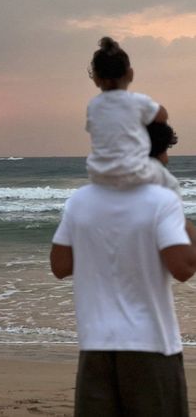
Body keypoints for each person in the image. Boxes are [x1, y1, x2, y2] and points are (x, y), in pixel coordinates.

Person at [50, 129, 196, 416]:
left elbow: (60, 266)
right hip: (149, 344)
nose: (167, 159)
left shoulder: (82, 200)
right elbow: (183, 267)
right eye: (165, 152)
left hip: (97, 343)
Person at [86, 36, 179, 194]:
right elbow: (162, 115)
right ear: (130, 74)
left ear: (95, 79)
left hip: (100, 173)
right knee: (169, 182)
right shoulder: (137, 101)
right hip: (134, 170)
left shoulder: (93, 106)